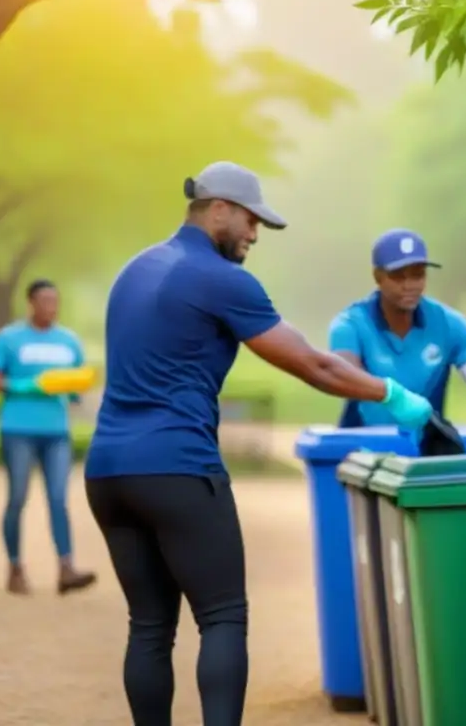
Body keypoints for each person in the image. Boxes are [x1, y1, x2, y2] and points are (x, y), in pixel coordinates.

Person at [84, 162, 433, 726]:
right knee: (222, 617)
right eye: (251, 221)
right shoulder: (221, 279)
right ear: (218, 208)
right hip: (176, 467)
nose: (254, 235)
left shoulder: (135, 270)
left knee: (149, 625)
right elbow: (316, 365)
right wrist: (392, 392)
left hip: (107, 472)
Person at [328, 228, 466, 428]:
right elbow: (344, 375)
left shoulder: (448, 323)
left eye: (418, 275)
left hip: (426, 448)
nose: (409, 285)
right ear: (378, 276)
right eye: (398, 276)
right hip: (361, 447)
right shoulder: (350, 324)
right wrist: (394, 397)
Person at [0, 279, 97, 595]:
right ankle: (16, 568)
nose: (51, 306)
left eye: (54, 300)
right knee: (18, 497)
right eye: (44, 300)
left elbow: (76, 383)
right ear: (31, 303)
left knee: (59, 499)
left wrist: (73, 390)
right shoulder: (9, 339)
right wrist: (25, 386)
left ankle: (66, 568)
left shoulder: (68, 341)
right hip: (18, 429)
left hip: (56, 432)